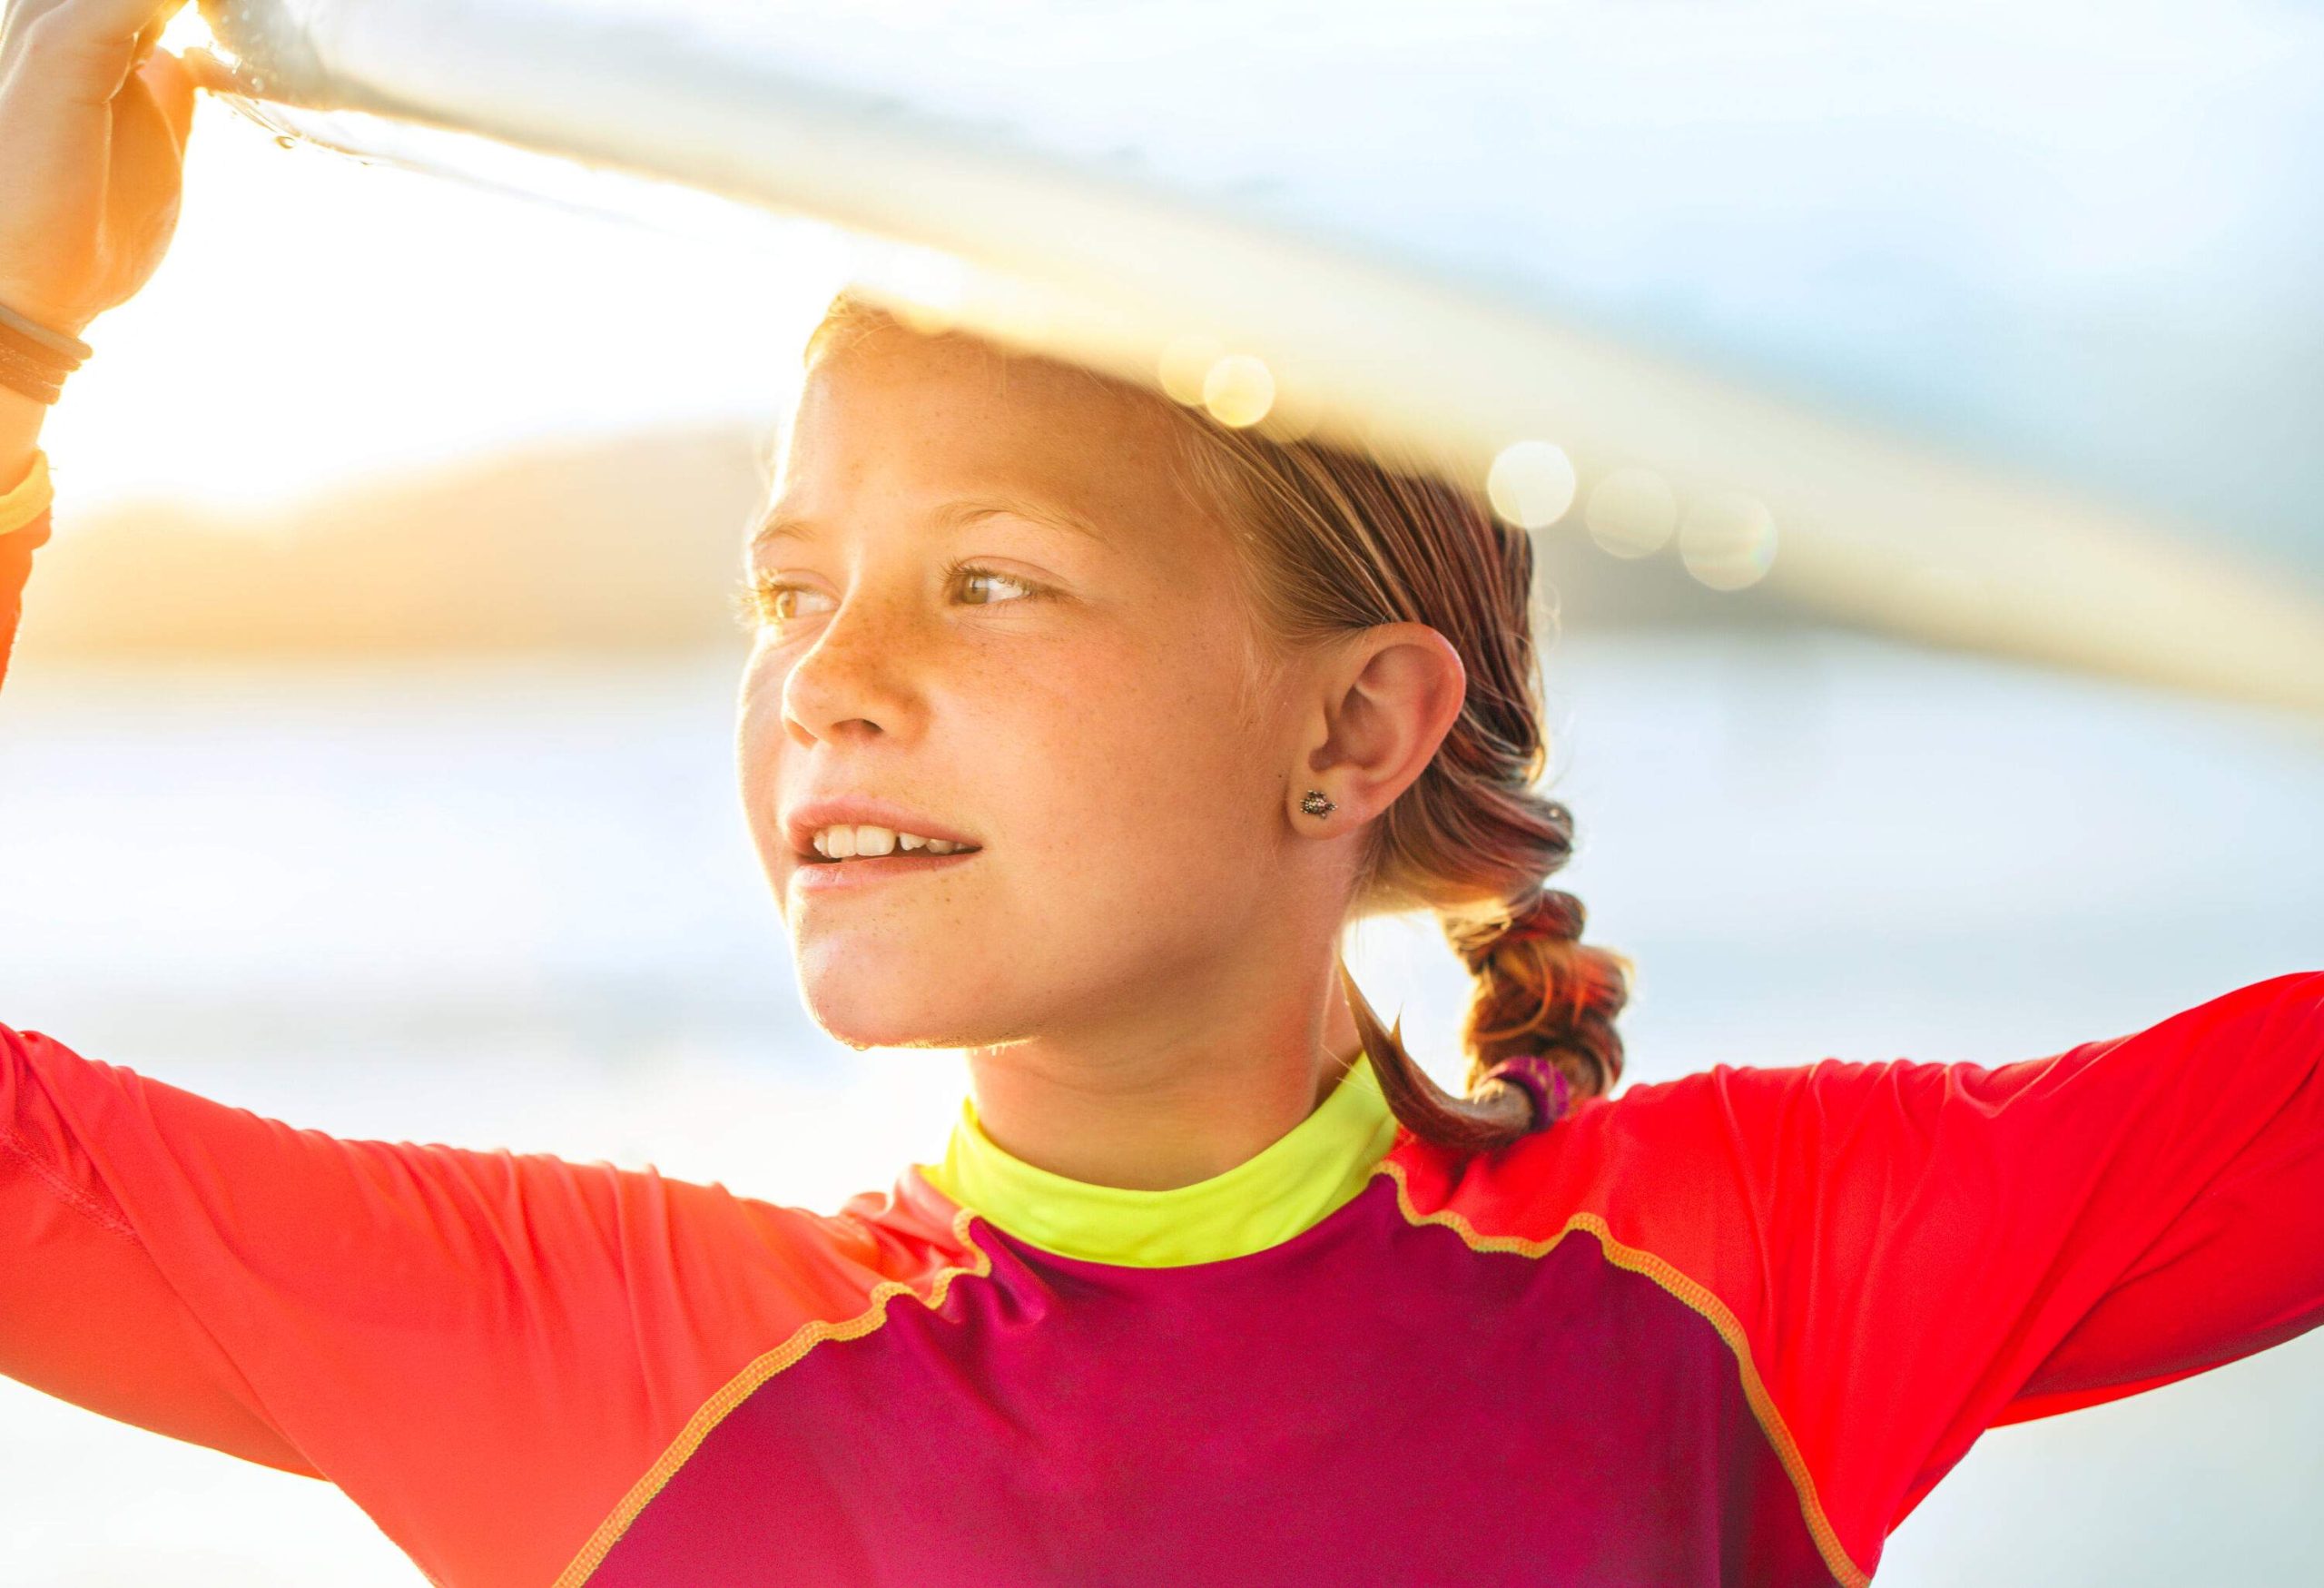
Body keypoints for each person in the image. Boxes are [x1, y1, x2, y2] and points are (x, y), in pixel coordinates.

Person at [4, 5, 2320, 1586]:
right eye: (783, 587)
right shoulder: (631, 1354)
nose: (831, 679)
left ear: (1353, 729)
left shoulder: (1743, 1281)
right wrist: (13, 350)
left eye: (988, 582)